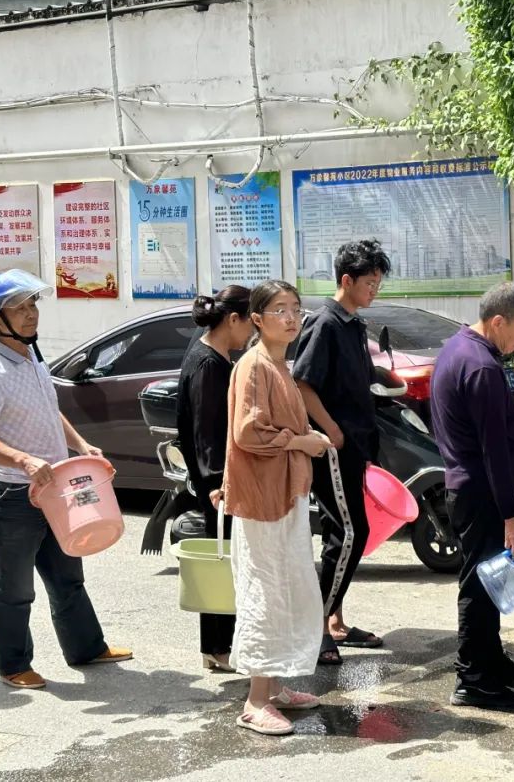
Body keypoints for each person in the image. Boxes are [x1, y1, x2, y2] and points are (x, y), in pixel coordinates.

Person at [0, 269, 132, 690]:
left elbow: (49, 411)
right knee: (15, 588)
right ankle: (14, 665)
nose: (31, 313)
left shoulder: (32, 358)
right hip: (12, 496)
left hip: (56, 490)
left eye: (33, 304)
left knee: (67, 576)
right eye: (19, 308)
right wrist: (22, 459)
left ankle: (86, 648)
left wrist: (82, 445)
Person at [222, 280, 330, 735]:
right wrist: (302, 442)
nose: (291, 318)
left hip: (284, 492)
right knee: (264, 594)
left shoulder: (278, 364)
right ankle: (255, 701)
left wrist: (305, 441)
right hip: (263, 498)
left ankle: (275, 687)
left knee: (286, 588)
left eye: (296, 309)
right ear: (256, 319)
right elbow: (248, 433)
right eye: (280, 310)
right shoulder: (253, 365)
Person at [430, 282, 514, 710]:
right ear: (497, 321)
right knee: (479, 583)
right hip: (481, 490)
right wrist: (512, 513)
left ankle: (489, 660)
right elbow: (494, 448)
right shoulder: (482, 367)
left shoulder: (458, 348)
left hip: (467, 484)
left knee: (489, 580)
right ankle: (472, 679)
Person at [293, 238, 391, 666]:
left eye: (378, 283)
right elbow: (302, 383)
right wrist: (330, 428)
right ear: (347, 280)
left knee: (348, 533)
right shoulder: (325, 323)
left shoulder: (353, 324)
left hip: (356, 444)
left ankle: (333, 620)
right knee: (349, 533)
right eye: (369, 283)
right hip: (333, 447)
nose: (374, 291)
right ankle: (314, 625)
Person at [176, 285, 253, 672]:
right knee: (223, 562)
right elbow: (206, 432)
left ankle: (218, 647)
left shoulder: (214, 355)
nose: (252, 331)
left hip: (220, 481)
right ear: (233, 319)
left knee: (225, 559)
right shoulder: (208, 364)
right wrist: (217, 483)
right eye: (250, 321)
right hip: (219, 484)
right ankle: (217, 648)